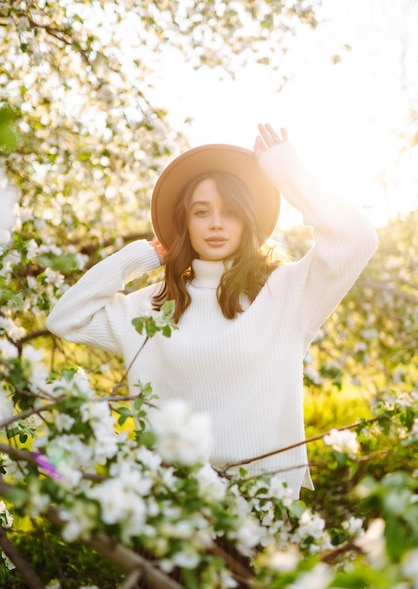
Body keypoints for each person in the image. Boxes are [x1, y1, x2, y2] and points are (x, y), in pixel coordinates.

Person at [46, 123, 378, 498]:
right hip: (168, 509)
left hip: (256, 507)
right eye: (202, 212)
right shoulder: (153, 306)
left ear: (247, 221)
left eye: (231, 212)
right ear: (185, 221)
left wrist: (288, 172)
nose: (216, 223)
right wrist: (142, 256)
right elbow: (64, 319)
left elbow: (358, 237)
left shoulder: (287, 293)